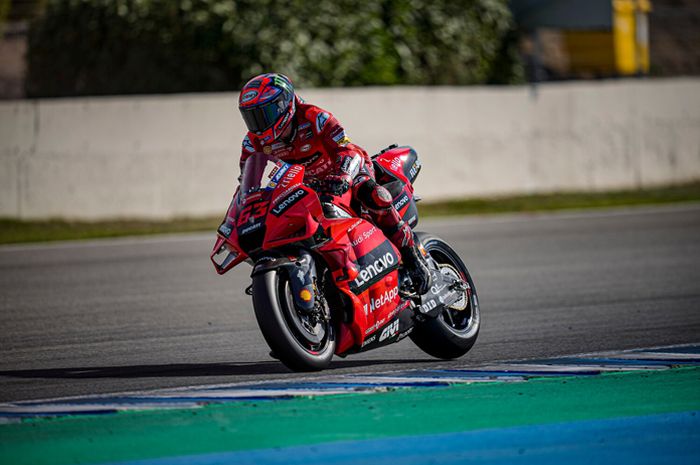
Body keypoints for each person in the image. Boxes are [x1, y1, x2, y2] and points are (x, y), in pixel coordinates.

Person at [237, 73, 432, 294]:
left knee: (373, 195)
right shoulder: (252, 142)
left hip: (345, 170)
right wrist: (242, 211)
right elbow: (247, 182)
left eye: (264, 114)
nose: (259, 124)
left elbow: (346, 149)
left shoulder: (315, 117)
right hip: (305, 188)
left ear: (284, 105)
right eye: (251, 117)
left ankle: (413, 257)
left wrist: (344, 176)